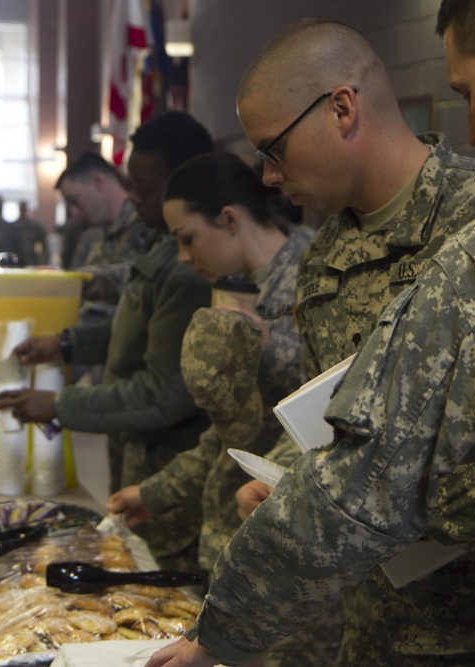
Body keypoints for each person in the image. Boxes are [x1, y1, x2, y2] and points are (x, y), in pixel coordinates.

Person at [146, 3, 475, 666]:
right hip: (375, 621)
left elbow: (376, 474)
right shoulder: (324, 262)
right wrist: (296, 473)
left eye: (273, 150)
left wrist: (227, 629)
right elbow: (340, 426)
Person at [105, 151, 329, 655]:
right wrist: (158, 492)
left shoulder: (313, 282)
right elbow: (229, 433)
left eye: (187, 239)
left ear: (229, 219)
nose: (184, 257)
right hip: (233, 534)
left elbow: (334, 412)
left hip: (287, 544)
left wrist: (271, 347)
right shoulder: (234, 292)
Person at [0, 111, 216, 572]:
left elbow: (162, 395)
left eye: (145, 188)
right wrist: (68, 344)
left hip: (168, 477)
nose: (133, 199)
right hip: (138, 463)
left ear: (182, 182)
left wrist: (60, 404)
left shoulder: (188, 267)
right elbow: (135, 331)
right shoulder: (163, 247)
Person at [56, 151, 156, 317]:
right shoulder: (93, 236)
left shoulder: (148, 223)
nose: (73, 212)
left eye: (74, 200)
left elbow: (145, 288)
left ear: (97, 181)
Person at [13, 201, 48, 265]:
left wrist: (42, 262)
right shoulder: (14, 227)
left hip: (32, 260)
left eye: (24, 209)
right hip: (17, 260)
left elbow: (43, 246)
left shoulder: (34, 227)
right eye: (22, 209)